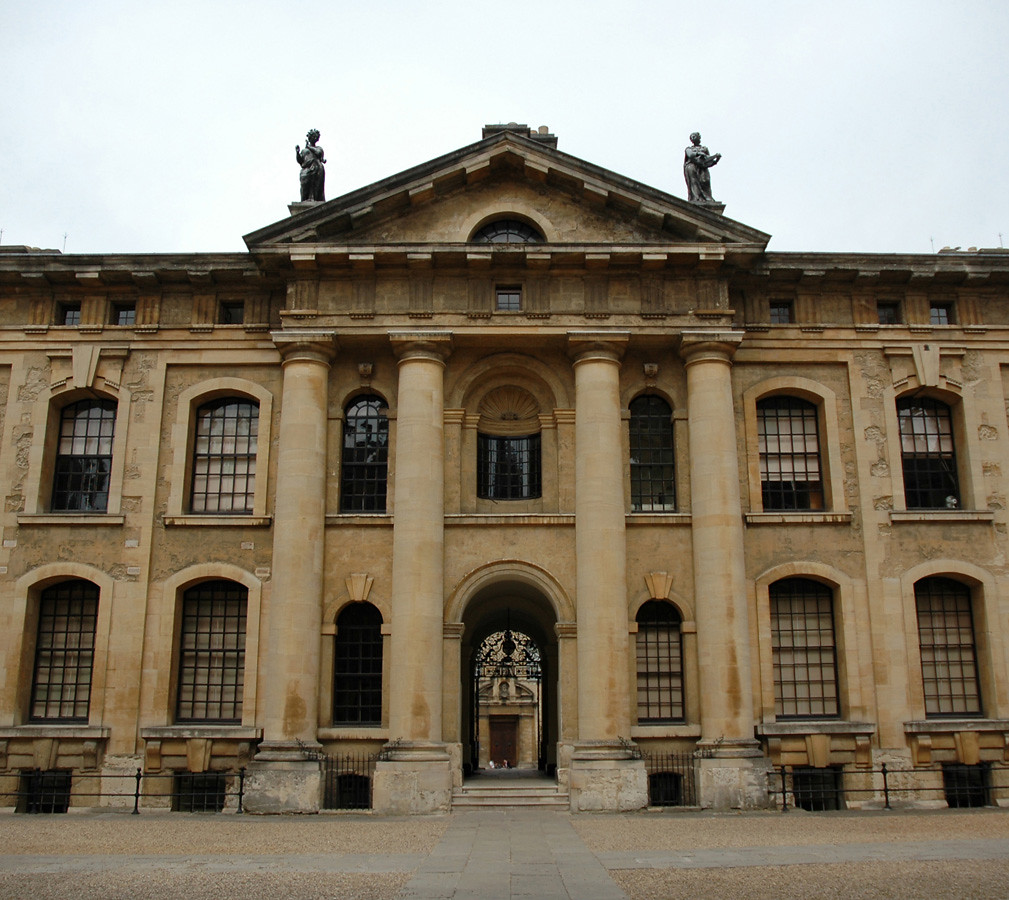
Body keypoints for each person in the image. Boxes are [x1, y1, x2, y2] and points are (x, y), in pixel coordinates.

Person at [683, 132, 721, 203]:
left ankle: (707, 198)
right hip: (691, 167)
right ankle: (696, 198)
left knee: (705, 181)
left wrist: (716, 159)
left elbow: (708, 161)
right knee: (694, 182)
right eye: (691, 137)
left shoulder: (704, 148)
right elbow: (690, 155)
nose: (693, 138)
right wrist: (698, 153)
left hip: (702, 168)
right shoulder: (688, 149)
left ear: (699, 137)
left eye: (694, 136)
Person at [296, 129, 326, 201]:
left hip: (317, 168)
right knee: (305, 184)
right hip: (306, 169)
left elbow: (318, 153)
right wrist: (297, 153)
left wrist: (308, 147)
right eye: (313, 136)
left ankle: (313, 198)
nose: (314, 138)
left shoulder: (318, 148)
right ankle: (304, 199)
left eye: (316, 137)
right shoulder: (304, 151)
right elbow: (300, 160)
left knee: (316, 185)